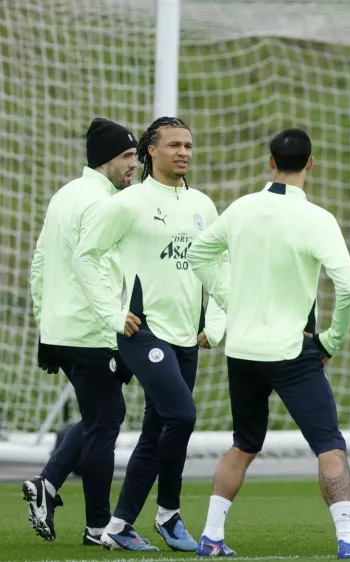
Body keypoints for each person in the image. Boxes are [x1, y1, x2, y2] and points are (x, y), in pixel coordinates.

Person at [185, 128, 350, 559]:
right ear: (311, 164)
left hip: (242, 351)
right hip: (292, 351)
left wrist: (231, 299)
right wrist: (332, 339)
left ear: (269, 162)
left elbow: (199, 255)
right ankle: (349, 540)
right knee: (329, 444)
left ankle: (210, 536)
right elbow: (349, 287)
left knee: (244, 442)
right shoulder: (316, 218)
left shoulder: (241, 208)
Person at [72, 116, 227, 552]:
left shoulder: (203, 205)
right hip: (143, 332)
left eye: (189, 146)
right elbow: (86, 257)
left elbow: (220, 266)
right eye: (174, 144)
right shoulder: (129, 202)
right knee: (182, 415)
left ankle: (119, 527)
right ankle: (168, 513)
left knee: (157, 430)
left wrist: (215, 323)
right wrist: (113, 313)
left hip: (186, 336)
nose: (184, 152)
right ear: (150, 151)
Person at [23, 118, 137, 546]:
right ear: (106, 159)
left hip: (61, 328)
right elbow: (94, 273)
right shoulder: (104, 204)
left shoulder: (65, 195)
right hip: (92, 331)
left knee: (96, 417)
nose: (134, 165)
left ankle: (48, 484)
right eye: (127, 157)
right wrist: (115, 326)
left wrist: (44, 322)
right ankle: (96, 527)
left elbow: (39, 262)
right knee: (106, 422)